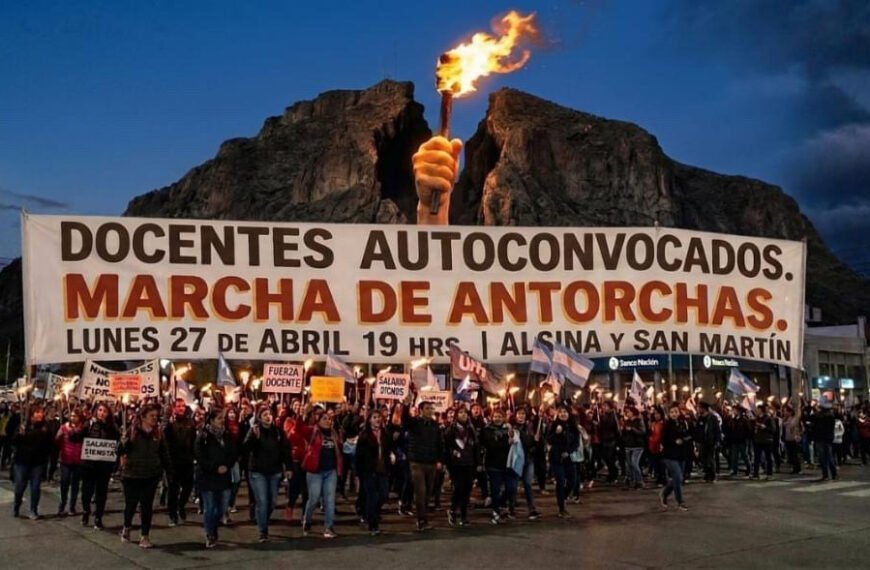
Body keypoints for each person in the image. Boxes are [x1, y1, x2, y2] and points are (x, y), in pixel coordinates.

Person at [119, 403, 172, 549]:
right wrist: (123, 443)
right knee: (130, 505)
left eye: (156, 416)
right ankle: (127, 526)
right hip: (132, 474)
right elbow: (120, 451)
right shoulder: (131, 432)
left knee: (147, 506)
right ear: (143, 417)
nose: (155, 419)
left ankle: (145, 535)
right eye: (151, 416)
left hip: (151, 475)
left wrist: (168, 472)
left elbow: (164, 454)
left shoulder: (159, 433)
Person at [244, 405, 291, 542]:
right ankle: (263, 530)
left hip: (274, 471)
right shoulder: (255, 430)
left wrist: (288, 467)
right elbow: (246, 448)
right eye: (264, 414)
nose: (268, 417)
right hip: (258, 472)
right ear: (259, 417)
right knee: (263, 501)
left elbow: (286, 450)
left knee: (272, 502)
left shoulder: (278, 432)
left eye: (269, 414)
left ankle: (262, 517)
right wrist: (253, 436)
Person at [297, 404, 343, 539]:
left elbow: (339, 451)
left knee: (329, 499)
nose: (327, 421)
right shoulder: (313, 431)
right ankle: (308, 519)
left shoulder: (334, 433)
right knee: (314, 498)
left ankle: (329, 527)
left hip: (330, 471)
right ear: (318, 420)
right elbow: (298, 429)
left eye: (329, 419)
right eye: (324, 418)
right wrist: (302, 415)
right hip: (315, 471)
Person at [195, 408, 238, 549]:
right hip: (208, 477)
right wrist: (214, 468)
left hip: (224, 477)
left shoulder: (227, 435)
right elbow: (200, 456)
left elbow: (233, 452)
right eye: (219, 418)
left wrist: (227, 465)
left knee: (222, 507)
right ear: (212, 420)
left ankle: (213, 527)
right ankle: (210, 534)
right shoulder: (204, 436)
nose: (222, 421)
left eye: (223, 418)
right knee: (210, 508)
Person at [401, 395, 444, 532]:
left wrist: (440, 460)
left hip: (431, 463)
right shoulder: (415, 423)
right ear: (420, 410)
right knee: (421, 491)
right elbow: (405, 420)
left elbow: (439, 444)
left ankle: (423, 515)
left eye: (431, 408)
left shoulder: (435, 426)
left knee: (428, 493)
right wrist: (406, 406)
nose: (430, 411)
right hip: (417, 462)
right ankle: (421, 520)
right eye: (427, 408)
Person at [80, 403, 120, 530]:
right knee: (86, 492)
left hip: (104, 466)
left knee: (101, 493)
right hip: (89, 465)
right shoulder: (89, 424)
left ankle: (98, 517)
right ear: (96, 412)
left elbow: (117, 443)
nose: (102, 413)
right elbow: (77, 437)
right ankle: (86, 510)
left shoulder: (112, 427)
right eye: (100, 410)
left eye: (105, 411)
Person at [11, 405, 54, 519]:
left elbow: (50, 444)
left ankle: (33, 510)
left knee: (35, 487)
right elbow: (14, 442)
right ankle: (16, 504)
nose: (40, 414)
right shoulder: (23, 426)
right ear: (31, 414)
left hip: (37, 463)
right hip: (22, 462)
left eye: (41, 412)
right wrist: (19, 434)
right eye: (37, 412)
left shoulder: (45, 427)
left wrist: (45, 457)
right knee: (20, 487)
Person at [355, 409, 392, 535]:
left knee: (383, 495)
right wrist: (358, 473)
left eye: (379, 417)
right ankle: (373, 524)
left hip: (383, 470)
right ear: (370, 419)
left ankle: (371, 513)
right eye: (375, 417)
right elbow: (359, 456)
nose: (377, 419)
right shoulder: (364, 435)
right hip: (369, 471)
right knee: (371, 496)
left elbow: (389, 448)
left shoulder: (385, 433)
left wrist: (391, 455)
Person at [443, 405, 479, 527]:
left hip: (469, 463)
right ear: (456, 415)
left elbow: (476, 447)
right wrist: (449, 460)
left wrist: (477, 463)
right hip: (456, 464)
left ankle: (463, 516)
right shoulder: (451, 429)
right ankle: (453, 509)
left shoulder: (471, 429)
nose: (463, 415)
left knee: (467, 489)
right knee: (459, 488)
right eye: (461, 413)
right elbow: (446, 447)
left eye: (465, 413)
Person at [164, 399, 197, 527]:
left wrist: (193, 456)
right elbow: (165, 440)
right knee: (173, 489)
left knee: (188, 487)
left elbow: (193, 440)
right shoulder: (170, 424)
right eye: (178, 406)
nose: (181, 408)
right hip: (173, 461)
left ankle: (181, 505)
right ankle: (172, 514)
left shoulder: (190, 423)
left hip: (187, 460)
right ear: (174, 408)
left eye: (183, 406)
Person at [480, 408, 513, 525]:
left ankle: (503, 505)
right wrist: (504, 441)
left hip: (507, 463)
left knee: (510, 487)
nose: (497, 419)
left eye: (499, 416)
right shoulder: (487, 430)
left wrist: (510, 435)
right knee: (495, 488)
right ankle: (495, 510)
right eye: (495, 416)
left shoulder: (508, 429)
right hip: (493, 463)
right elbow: (490, 444)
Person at [546, 406, 579, 518]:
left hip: (569, 457)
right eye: (560, 412)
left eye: (565, 412)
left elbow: (576, 443)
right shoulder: (554, 425)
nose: (563, 414)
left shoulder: (573, 427)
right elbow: (549, 440)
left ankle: (563, 497)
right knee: (560, 482)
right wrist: (556, 433)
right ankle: (561, 508)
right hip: (556, 457)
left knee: (572, 482)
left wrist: (569, 452)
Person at [659, 404, 691, 512]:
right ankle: (680, 502)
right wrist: (674, 441)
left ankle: (664, 493)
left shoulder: (683, 423)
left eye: (676, 412)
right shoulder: (666, 425)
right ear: (669, 413)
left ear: (679, 412)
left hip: (681, 454)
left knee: (679, 478)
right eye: (672, 412)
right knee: (677, 477)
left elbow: (690, 435)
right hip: (669, 455)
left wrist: (684, 440)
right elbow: (663, 440)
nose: (674, 414)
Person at [55, 408, 85, 516]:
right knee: (64, 482)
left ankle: (72, 506)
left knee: (75, 484)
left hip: (78, 461)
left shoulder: (83, 429)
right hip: (66, 460)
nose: (73, 418)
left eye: (75, 416)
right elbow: (57, 442)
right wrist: (59, 436)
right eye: (71, 416)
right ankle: (62, 504)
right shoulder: (64, 427)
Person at [512, 408, 540, 520]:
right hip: (516, 460)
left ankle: (532, 508)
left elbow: (533, 444)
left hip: (528, 459)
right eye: (519, 414)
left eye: (523, 414)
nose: (521, 416)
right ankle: (511, 507)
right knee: (513, 486)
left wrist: (536, 442)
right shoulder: (512, 427)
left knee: (528, 484)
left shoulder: (530, 428)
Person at [622, 406, 646, 489]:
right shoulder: (627, 421)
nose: (627, 413)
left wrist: (632, 429)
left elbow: (642, 432)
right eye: (626, 412)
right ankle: (632, 480)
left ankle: (640, 481)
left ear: (633, 412)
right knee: (629, 465)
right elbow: (624, 434)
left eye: (628, 412)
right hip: (628, 445)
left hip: (637, 445)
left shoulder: (639, 421)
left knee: (634, 463)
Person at [696, 402, 721, 483]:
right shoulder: (700, 418)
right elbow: (698, 430)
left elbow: (717, 430)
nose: (698, 409)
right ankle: (706, 475)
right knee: (703, 459)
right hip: (702, 442)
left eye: (699, 407)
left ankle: (713, 475)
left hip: (711, 441)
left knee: (710, 459)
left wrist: (717, 440)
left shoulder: (712, 417)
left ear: (704, 408)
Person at [752, 404, 777, 480]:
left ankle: (769, 474)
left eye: (758, 409)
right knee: (757, 457)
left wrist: (765, 427)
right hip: (758, 440)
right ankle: (756, 474)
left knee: (768, 457)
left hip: (767, 440)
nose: (757, 410)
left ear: (762, 410)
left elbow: (773, 429)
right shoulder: (756, 418)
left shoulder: (769, 418)